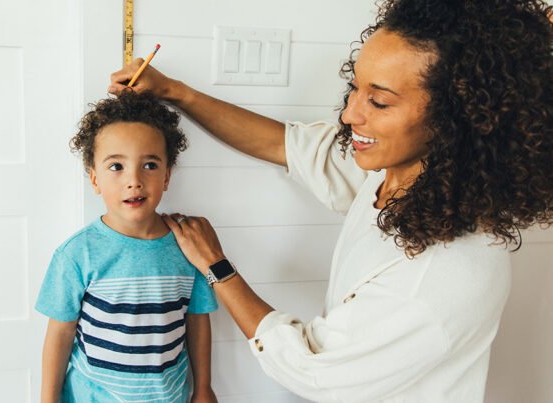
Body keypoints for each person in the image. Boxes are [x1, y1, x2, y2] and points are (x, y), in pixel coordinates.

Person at [107, 0, 553, 401]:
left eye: (378, 102)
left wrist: (218, 268)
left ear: (456, 119)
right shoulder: (394, 171)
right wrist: (173, 92)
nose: (349, 113)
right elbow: (285, 145)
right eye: (355, 88)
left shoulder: (447, 274)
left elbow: (312, 368)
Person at [36, 92, 219, 403]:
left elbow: (198, 320)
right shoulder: (77, 254)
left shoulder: (189, 247)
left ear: (167, 176)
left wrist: (203, 387)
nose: (134, 180)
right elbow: (60, 335)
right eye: (116, 167)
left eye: (149, 164)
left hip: (168, 396)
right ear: (94, 180)